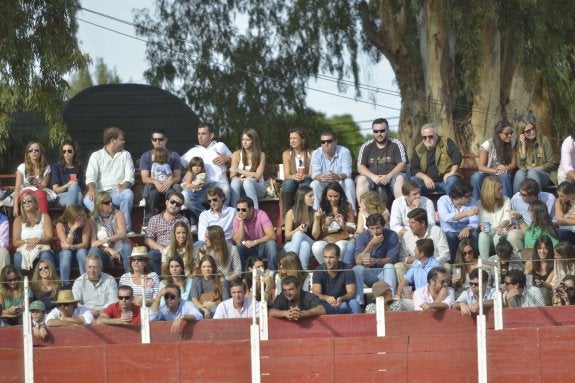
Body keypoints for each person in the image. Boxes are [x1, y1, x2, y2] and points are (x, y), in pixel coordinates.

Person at [84, 127, 135, 233]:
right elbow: (90, 176)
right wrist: (91, 190)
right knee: (87, 199)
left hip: (117, 192)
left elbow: (130, 176)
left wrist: (125, 184)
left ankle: (125, 227)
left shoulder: (126, 154)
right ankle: (104, 224)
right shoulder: (96, 155)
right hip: (101, 193)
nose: (124, 142)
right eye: (121, 139)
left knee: (128, 194)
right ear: (112, 140)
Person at [181, 122, 232, 210]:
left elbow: (236, 161)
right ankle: (205, 217)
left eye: (203, 134)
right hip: (201, 188)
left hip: (219, 186)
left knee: (226, 189)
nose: (200, 136)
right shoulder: (193, 151)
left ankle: (222, 216)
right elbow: (177, 164)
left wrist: (228, 159)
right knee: (185, 195)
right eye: (199, 134)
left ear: (211, 135)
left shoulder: (220, 146)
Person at [356, 118, 408, 200]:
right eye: (376, 131)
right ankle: (363, 210)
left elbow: (402, 165)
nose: (379, 134)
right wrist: (373, 177)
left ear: (388, 130)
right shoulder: (366, 146)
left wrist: (388, 177)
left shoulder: (397, 144)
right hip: (372, 179)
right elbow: (360, 167)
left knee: (400, 178)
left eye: (382, 131)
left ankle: (401, 210)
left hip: (392, 178)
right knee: (361, 179)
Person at [139, 129, 183, 226]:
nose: (157, 141)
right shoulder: (146, 156)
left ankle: (174, 222)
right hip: (154, 187)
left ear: (165, 140)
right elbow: (145, 178)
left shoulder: (174, 155)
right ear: (152, 141)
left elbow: (177, 177)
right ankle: (147, 224)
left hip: (169, 187)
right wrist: (155, 182)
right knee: (152, 195)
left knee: (173, 195)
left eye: (160, 139)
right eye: (155, 139)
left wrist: (169, 182)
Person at [353, 213, 399, 305]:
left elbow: (392, 259)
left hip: (384, 272)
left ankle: (391, 301)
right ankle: (359, 303)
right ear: (368, 228)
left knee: (389, 266)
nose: (375, 231)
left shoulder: (392, 235)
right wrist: (371, 244)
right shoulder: (362, 237)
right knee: (357, 269)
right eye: (372, 228)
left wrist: (376, 261)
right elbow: (358, 261)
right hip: (369, 272)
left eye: (378, 228)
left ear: (383, 226)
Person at [397, 208, 450, 282]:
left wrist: (429, 262)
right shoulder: (407, 235)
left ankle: (442, 291)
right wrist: (417, 258)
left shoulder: (437, 231)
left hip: (435, 266)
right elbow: (402, 257)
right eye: (409, 222)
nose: (410, 225)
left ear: (422, 223)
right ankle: (405, 291)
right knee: (398, 266)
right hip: (415, 266)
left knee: (447, 266)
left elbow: (445, 255)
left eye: (412, 223)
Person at [310, 182, 356, 267]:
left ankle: (338, 269)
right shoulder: (322, 207)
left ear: (340, 196)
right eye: (330, 196)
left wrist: (343, 225)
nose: (333, 199)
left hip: (344, 238)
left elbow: (353, 230)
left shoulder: (347, 206)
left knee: (340, 246)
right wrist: (325, 223)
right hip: (328, 239)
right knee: (316, 246)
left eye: (336, 196)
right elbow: (317, 234)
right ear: (325, 196)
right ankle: (327, 268)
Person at [145, 191, 190, 275]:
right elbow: (148, 239)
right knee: (152, 255)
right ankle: (160, 282)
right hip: (159, 250)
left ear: (180, 207)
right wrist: (162, 249)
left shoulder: (184, 220)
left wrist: (172, 249)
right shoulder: (154, 219)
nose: (174, 205)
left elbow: (186, 239)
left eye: (178, 204)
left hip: (178, 249)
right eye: (172, 202)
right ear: (166, 202)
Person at [410, 123, 462, 196]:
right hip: (427, 183)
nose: (427, 139)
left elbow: (457, 155)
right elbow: (414, 168)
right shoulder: (418, 149)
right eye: (424, 137)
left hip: (445, 181)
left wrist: (452, 172)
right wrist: (425, 178)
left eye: (430, 137)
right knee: (413, 181)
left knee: (452, 180)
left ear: (437, 136)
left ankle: (451, 205)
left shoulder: (446, 142)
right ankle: (420, 206)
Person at [310, 130, 356, 213]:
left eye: (329, 141)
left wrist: (338, 176)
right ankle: (316, 214)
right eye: (323, 142)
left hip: (339, 182)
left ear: (335, 142)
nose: (326, 144)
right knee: (314, 184)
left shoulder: (344, 151)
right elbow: (314, 174)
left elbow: (347, 172)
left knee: (349, 182)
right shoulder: (316, 153)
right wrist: (320, 177)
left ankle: (352, 213)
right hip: (324, 182)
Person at [471, 119, 516, 200]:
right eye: (506, 134)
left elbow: (513, 164)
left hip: (503, 172)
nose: (509, 136)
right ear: (499, 134)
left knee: (505, 176)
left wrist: (505, 168)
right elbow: (481, 167)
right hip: (488, 172)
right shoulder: (488, 144)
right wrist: (496, 170)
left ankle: (508, 204)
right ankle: (475, 205)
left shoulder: (511, 143)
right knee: (476, 177)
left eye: (511, 133)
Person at [437, 179, 479, 262]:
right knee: (451, 236)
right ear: (458, 197)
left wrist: (468, 228)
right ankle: (452, 264)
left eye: (470, 195)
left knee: (475, 234)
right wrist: (466, 213)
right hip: (449, 232)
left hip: (466, 230)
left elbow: (475, 221)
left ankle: (474, 262)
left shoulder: (472, 201)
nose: (470, 198)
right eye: (467, 196)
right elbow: (446, 217)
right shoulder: (443, 201)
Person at [89, 191, 132, 273]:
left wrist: (105, 240)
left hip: (120, 249)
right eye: (107, 202)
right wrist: (108, 250)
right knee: (93, 251)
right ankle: (98, 279)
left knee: (127, 247)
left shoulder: (118, 213)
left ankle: (129, 277)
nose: (111, 204)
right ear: (99, 204)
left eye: (111, 201)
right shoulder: (93, 219)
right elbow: (94, 243)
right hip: (105, 251)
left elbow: (123, 234)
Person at [12, 191, 55, 272]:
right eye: (24, 202)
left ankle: (51, 282)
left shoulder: (45, 217)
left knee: (45, 255)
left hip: (42, 248)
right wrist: (28, 241)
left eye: (29, 201)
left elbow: (50, 237)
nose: (26, 203)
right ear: (22, 206)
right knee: (18, 257)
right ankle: (21, 283)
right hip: (24, 249)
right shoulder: (18, 220)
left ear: (36, 204)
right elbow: (15, 242)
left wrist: (38, 240)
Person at [312, 243, 361, 314]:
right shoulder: (319, 270)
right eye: (325, 257)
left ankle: (358, 324)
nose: (327, 261)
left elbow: (351, 292)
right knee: (318, 307)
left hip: (343, 303)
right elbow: (316, 293)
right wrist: (326, 298)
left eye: (331, 257)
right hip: (325, 304)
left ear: (338, 257)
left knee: (354, 304)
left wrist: (342, 299)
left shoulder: (346, 269)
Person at [232, 196, 278, 270]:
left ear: (251, 209)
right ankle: (243, 277)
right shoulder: (237, 219)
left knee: (271, 244)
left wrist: (255, 242)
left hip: (262, 246)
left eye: (243, 210)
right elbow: (238, 241)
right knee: (237, 248)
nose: (240, 212)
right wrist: (241, 222)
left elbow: (272, 235)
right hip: (247, 247)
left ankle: (272, 274)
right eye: (238, 209)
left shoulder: (261, 214)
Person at [513, 116, 556, 193]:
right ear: (522, 133)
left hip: (544, 175)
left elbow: (551, 163)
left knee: (532, 172)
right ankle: (515, 202)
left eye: (533, 128)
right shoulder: (519, 144)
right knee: (519, 173)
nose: (532, 132)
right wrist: (523, 146)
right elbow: (521, 166)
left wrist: (535, 169)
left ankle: (537, 202)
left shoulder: (543, 140)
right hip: (526, 175)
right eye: (528, 131)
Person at [283, 186, 321, 270]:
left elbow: (315, 236)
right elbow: (287, 236)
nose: (313, 198)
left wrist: (317, 219)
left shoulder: (315, 213)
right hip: (292, 244)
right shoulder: (291, 213)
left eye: (313, 195)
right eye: (310, 196)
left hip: (311, 244)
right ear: (301, 198)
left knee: (300, 236)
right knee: (304, 245)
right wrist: (298, 229)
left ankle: (291, 264)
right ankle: (304, 272)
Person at [395, 239, 442, 307]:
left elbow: (437, 290)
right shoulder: (416, 262)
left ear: (422, 253)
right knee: (398, 303)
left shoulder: (436, 266)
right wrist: (398, 296)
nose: (414, 251)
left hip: (430, 302)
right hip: (417, 298)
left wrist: (417, 295)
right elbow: (405, 280)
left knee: (400, 305)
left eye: (416, 249)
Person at [477, 175, 514, 259]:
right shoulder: (479, 204)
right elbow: (478, 223)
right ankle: (485, 263)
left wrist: (501, 226)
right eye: (498, 189)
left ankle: (500, 261)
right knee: (482, 235)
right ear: (490, 190)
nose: (501, 191)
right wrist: (480, 226)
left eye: (502, 188)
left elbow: (507, 219)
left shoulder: (506, 200)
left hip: (502, 233)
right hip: (488, 234)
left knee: (498, 235)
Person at [13, 140, 54, 215]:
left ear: (40, 152)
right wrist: (15, 207)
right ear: (28, 153)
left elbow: (44, 185)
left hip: (39, 190)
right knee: (30, 195)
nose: (33, 152)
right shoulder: (22, 167)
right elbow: (17, 188)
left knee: (40, 193)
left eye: (36, 150)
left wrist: (38, 185)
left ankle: (44, 220)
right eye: (30, 150)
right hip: (25, 192)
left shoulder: (46, 167)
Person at [230, 128, 267, 209]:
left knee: (248, 182)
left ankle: (255, 214)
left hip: (258, 188)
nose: (244, 142)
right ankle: (234, 214)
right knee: (235, 183)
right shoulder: (236, 154)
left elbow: (257, 176)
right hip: (242, 187)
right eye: (243, 139)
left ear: (254, 141)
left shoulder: (261, 155)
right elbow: (232, 177)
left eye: (248, 139)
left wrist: (238, 170)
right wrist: (242, 179)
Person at [72, 254, 118, 318]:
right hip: (85, 314)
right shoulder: (78, 282)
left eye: (95, 267)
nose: (92, 270)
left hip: (106, 314)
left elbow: (113, 300)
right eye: (89, 267)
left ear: (101, 268)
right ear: (85, 267)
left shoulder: (110, 280)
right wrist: (88, 311)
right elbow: (75, 303)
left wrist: (104, 311)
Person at [55, 204, 91, 286]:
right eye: (81, 215)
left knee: (82, 251)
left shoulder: (86, 224)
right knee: (66, 253)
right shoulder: (60, 225)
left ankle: (86, 282)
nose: (84, 217)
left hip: (79, 253)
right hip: (64, 256)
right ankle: (65, 284)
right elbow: (65, 245)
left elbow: (85, 244)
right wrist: (72, 231)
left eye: (84, 214)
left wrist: (72, 247)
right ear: (73, 217)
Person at [281, 127, 313, 218]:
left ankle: (304, 214)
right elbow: (287, 175)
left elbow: (311, 174)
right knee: (288, 183)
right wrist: (294, 176)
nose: (292, 141)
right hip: (292, 180)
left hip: (306, 179)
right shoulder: (287, 154)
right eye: (290, 138)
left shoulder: (311, 153)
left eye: (294, 138)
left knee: (305, 183)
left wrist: (304, 176)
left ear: (302, 139)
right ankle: (286, 216)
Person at [141, 148, 175, 220]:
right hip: (156, 186)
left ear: (158, 156)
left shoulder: (166, 166)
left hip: (165, 186)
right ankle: (147, 220)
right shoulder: (153, 165)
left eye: (153, 154)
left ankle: (172, 217)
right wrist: (155, 182)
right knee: (149, 189)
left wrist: (166, 184)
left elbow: (170, 176)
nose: (152, 155)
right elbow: (152, 176)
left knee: (172, 192)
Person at [51, 140, 84, 207]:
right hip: (60, 197)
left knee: (79, 195)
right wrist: (68, 185)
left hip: (76, 195)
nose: (67, 153)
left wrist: (76, 186)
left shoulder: (79, 168)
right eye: (64, 151)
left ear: (74, 152)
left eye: (69, 151)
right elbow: (56, 190)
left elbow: (82, 189)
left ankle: (69, 216)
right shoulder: (56, 167)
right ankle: (71, 215)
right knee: (78, 194)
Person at [524, 235, 555, 306]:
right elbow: (527, 283)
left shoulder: (554, 264)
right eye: (539, 248)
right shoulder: (530, 263)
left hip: (547, 294)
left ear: (550, 249)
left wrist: (543, 283)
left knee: (543, 291)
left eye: (545, 248)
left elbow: (550, 286)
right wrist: (531, 281)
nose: (542, 251)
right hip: (532, 293)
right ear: (536, 249)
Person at [181, 156, 206, 227]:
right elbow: (188, 185)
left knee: (192, 202)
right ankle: (203, 215)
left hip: (194, 191)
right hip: (185, 188)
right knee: (189, 198)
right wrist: (198, 186)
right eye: (194, 166)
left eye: (199, 166)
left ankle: (193, 224)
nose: (196, 167)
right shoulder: (190, 173)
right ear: (191, 167)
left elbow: (203, 184)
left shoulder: (202, 175)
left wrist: (200, 185)